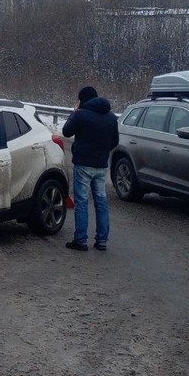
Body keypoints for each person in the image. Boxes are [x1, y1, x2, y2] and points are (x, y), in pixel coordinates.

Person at [62, 85, 119, 252]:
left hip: (83, 165)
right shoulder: (111, 117)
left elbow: (66, 131)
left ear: (83, 100)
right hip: (101, 166)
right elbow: (114, 142)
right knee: (101, 202)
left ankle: (80, 240)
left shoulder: (82, 115)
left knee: (82, 202)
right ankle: (102, 240)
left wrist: (74, 113)